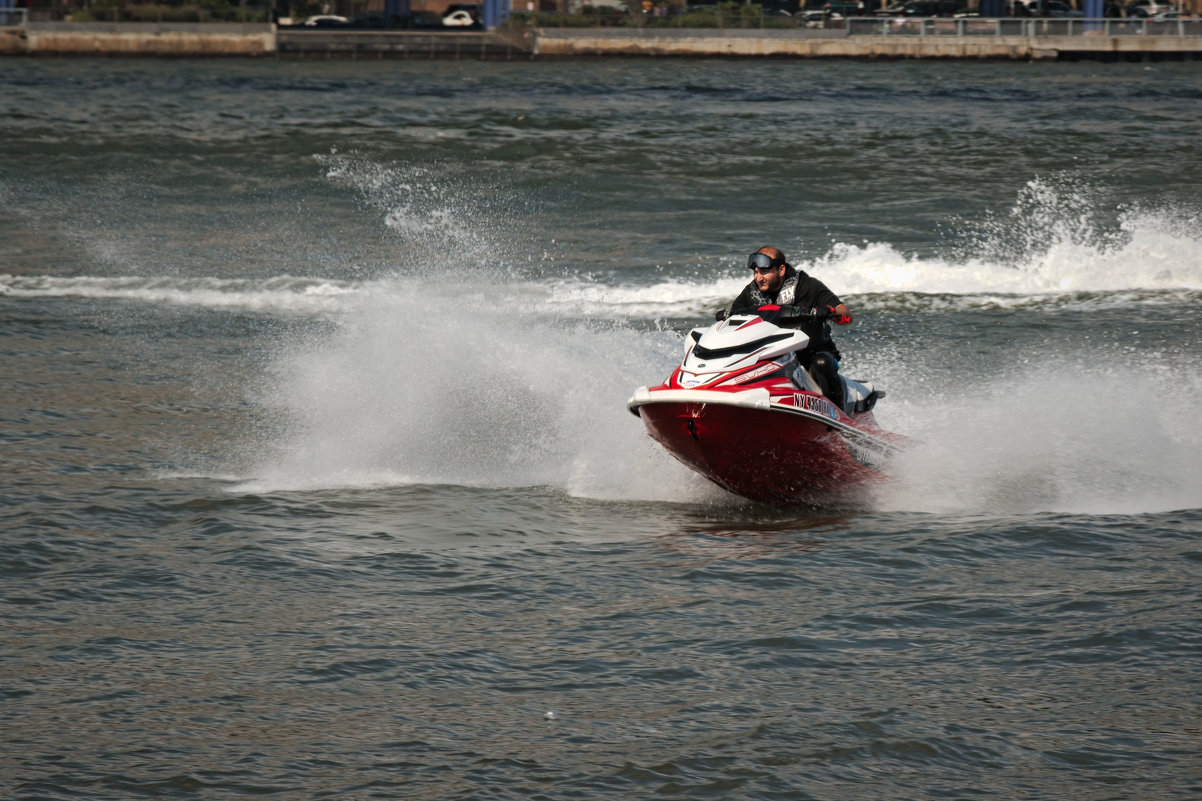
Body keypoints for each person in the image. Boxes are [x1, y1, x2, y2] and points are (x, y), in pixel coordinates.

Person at [718, 246, 855, 411]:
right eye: (755, 272)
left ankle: (839, 417)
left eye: (764, 272)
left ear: (781, 270)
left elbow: (846, 314)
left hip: (810, 352)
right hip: (772, 352)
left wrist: (828, 312)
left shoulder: (807, 286)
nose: (758, 278)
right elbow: (736, 317)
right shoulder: (753, 291)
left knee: (822, 363)